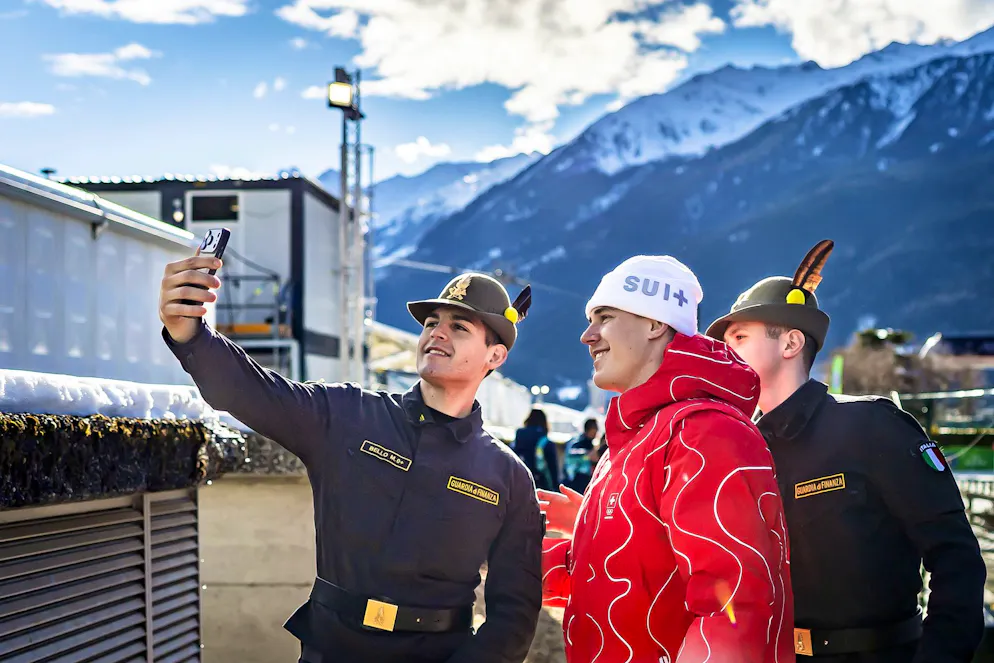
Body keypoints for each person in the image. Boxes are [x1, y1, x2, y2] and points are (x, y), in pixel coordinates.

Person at [158, 254, 544, 663]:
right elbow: (254, 392)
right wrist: (191, 335)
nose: (437, 333)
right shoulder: (348, 414)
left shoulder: (509, 477)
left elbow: (514, 613)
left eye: (459, 327)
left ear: (494, 357)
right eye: (431, 323)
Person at [705, 239, 986, 662]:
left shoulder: (871, 427)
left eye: (740, 337)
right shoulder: (745, 449)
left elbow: (956, 558)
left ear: (790, 343)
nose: (726, 351)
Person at [540, 255, 794, 663]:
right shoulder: (635, 438)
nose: (587, 335)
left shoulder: (705, 432)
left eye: (604, 316)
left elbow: (734, 606)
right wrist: (485, 561)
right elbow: (623, 576)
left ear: (656, 323)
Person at [513, 408, 559, 491]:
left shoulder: (519, 435)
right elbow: (553, 466)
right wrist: (555, 486)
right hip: (539, 481)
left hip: (519, 479)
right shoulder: (544, 439)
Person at [562, 418, 598, 493]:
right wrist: (587, 455)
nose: (595, 433)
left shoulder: (591, 443)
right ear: (588, 429)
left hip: (586, 479)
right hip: (576, 479)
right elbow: (571, 455)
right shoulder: (578, 442)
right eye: (594, 430)